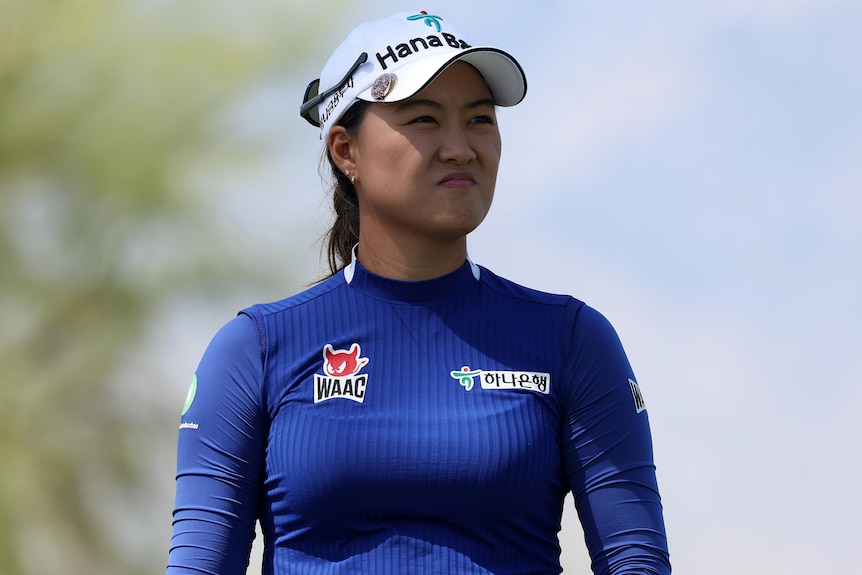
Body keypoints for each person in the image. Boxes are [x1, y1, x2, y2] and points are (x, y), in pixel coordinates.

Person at [167, 10, 671, 575]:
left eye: (480, 119)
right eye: (425, 119)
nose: (460, 147)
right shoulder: (255, 349)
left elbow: (637, 563)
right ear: (345, 151)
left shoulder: (571, 339)